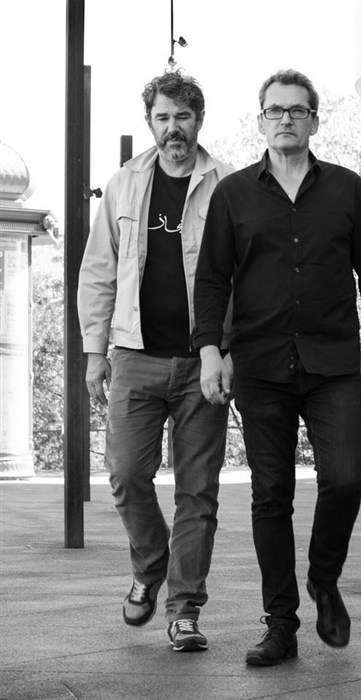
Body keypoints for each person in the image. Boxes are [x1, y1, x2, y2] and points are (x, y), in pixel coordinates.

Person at [192, 69, 361, 666]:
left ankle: (323, 578)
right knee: (271, 495)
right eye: (275, 110)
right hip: (260, 365)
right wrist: (209, 351)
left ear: (314, 120)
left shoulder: (346, 188)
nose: (285, 119)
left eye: (297, 110)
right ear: (261, 120)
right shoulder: (234, 194)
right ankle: (281, 624)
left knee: (345, 479)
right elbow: (212, 280)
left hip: (332, 362)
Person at [77, 71, 233, 653]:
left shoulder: (228, 185)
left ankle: (184, 610)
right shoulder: (124, 184)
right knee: (124, 474)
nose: (174, 128)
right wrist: (95, 353)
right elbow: (98, 270)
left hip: (203, 363)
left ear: (199, 121)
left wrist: (231, 351)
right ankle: (150, 566)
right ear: (150, 123)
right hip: (135, 356)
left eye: (183, 117)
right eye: (163, 117)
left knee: (198, 492)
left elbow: (245, 274)